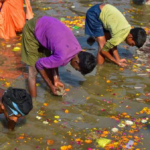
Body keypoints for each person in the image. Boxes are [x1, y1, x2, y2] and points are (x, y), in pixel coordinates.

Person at [21, 16, 96, 97]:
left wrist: (56, 79)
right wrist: (50, 85)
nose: (75, 69)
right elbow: (39, 64)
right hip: (32, 28)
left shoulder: (77, 48)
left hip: (46, 24)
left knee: (48, 64)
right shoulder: (62, 57)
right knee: (33, 71)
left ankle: (52, 90)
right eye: (76, 69)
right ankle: (33, 102)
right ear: (77, 62)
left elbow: (55, 58)